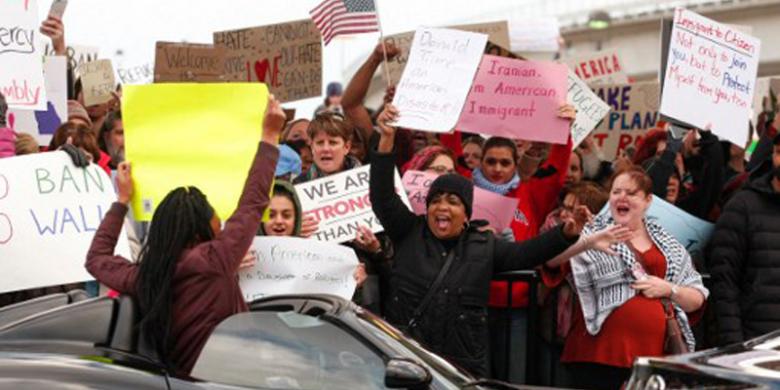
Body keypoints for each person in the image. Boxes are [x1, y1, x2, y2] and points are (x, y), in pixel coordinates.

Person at [370, 104, 587, 377]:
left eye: (453, 202)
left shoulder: (482, 245)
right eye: (435, 201)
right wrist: (386, 138)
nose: (443, 208)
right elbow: (382, 196)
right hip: (409, 354)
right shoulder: (409, 232)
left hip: (461, 364)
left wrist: (566, 234)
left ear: (467, 213)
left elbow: (527, 253)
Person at [84, 95, 286, 375]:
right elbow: (252, 201)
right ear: (203, 224)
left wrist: (122, 201)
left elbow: (96, 259)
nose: (221, 219)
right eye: (214, 212)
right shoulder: (217, 258)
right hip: (228, 380)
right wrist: (269, 135)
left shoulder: (147, 275)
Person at [550, 166, 707, 390]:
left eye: (631, 193)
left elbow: (697, 297)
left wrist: (669, 289)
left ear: (648, 200)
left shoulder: (669, 243)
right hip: (597, 354)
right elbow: (551, 260)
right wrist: (585, 242)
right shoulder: (591, 232)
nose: (621, 197)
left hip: (654, 359)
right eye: (616, 192)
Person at [709, 133, 780, 346]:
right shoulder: (743, 206)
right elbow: (723, 281)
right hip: (756, 345)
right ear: (774, 156)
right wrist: (735, 346)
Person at [293, 112, 360, 184]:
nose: (325, 149)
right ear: (312, 147)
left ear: (346, 147)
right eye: (320, 143)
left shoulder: (370, 178)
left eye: (333, 142)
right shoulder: (298, 185)